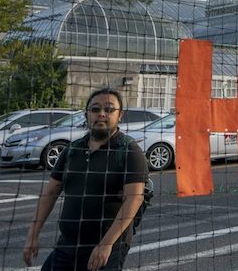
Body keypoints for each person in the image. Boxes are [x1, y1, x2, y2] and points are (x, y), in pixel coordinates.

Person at [22, 89, 148, 271]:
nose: (101, 114)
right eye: (95, 109)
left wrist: (106, 244)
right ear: (87, 114)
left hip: (108, 245)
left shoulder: (129, 151)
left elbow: (135, 198)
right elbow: (50, 192)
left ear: (120, 115)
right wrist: (33, 234)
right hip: (68, 243)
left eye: (109, 109)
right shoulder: (72, 150)